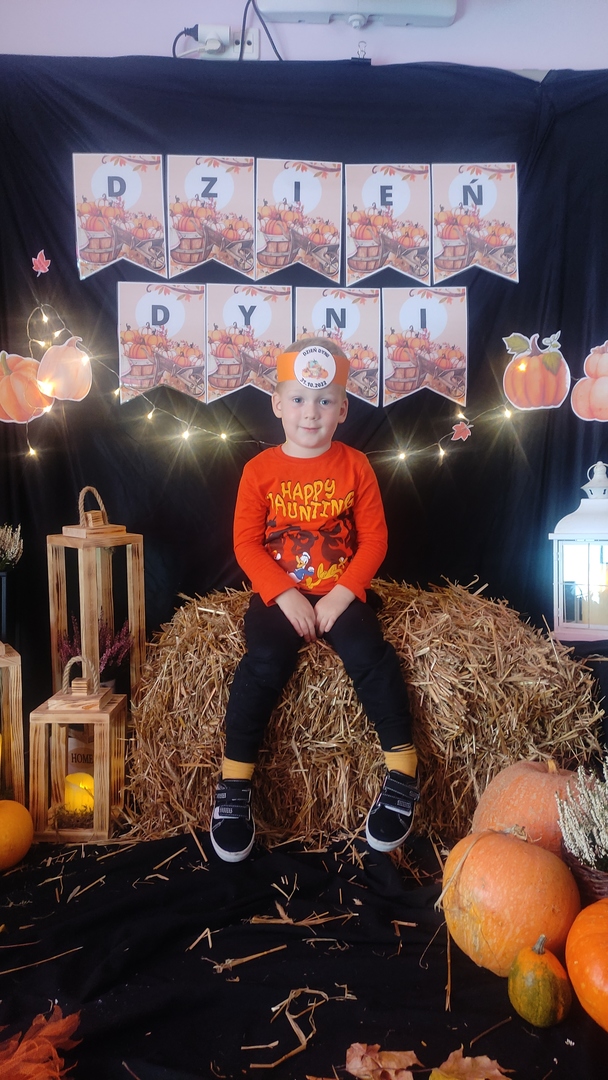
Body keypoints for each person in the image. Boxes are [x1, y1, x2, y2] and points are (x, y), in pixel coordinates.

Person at [210, 337, 419, 862]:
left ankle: (402, 771)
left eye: (325, 401)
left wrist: (342, 595)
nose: (311, 412)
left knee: (370, 655)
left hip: (339, 592)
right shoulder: (259, 470)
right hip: (279, 597)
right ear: (277, 404)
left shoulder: (356, 466)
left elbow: (374, 541)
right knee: (263, 661)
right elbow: (246, 544)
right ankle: (234, 785)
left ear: (342, 409)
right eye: (299, 399)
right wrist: (284, 595)